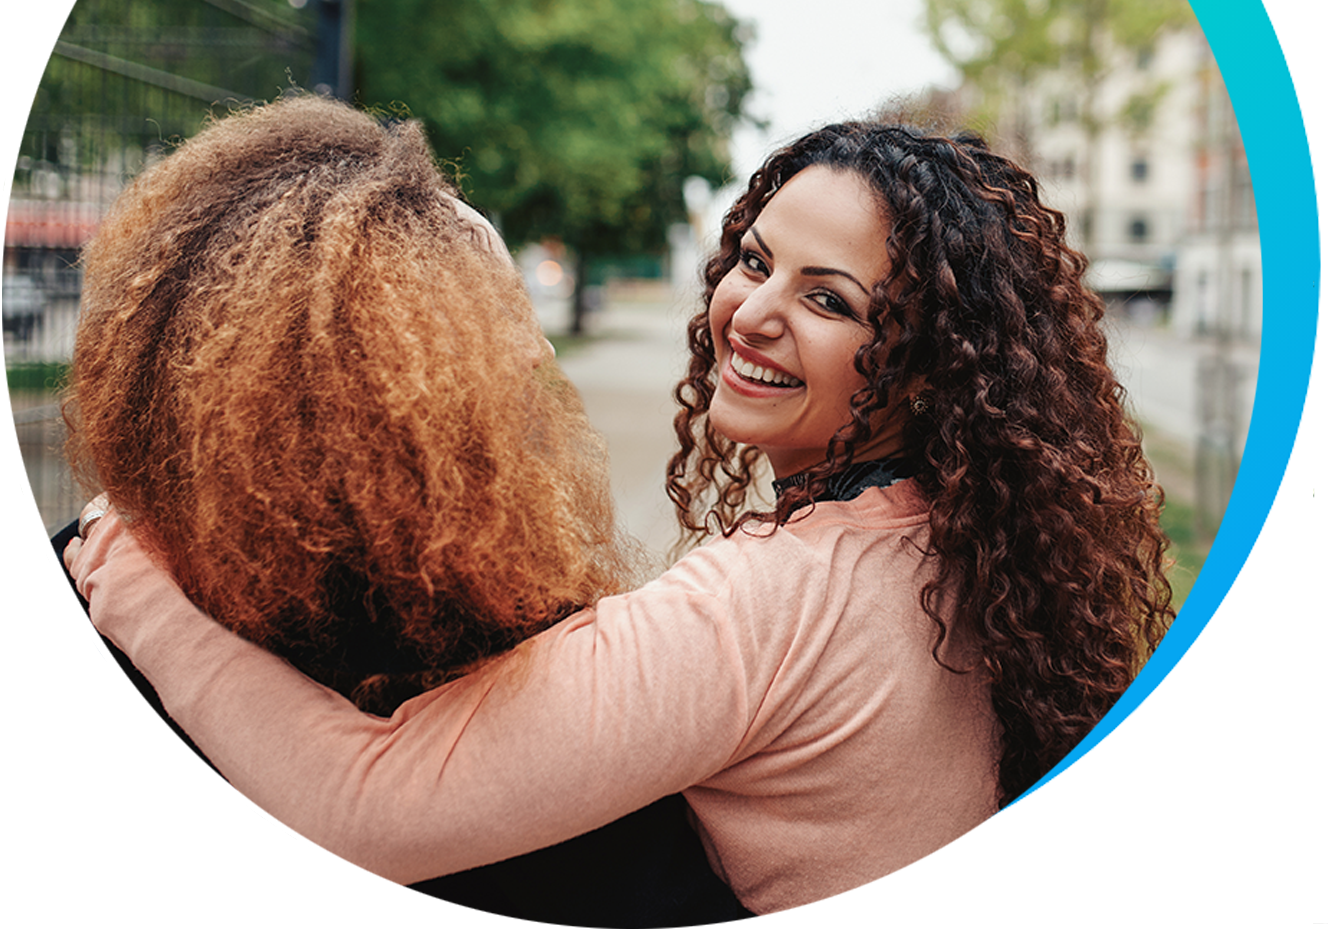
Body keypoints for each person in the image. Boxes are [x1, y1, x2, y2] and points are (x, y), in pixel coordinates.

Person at [68, 120, 1175, 918]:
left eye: (828, 299)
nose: (752, 311)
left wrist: (128, 585)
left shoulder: (774, 600)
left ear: (933, 372)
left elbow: (371, 800)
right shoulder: (949, 540)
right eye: (754, 259)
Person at [55, 94, 751, 925]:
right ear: (410, 397)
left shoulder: (100, 564)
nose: (537, 349)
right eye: (498, 315)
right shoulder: (500, 664)